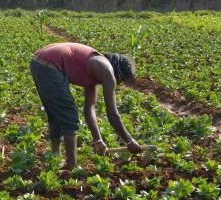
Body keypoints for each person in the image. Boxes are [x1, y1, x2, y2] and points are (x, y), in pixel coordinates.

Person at [30, 42, 145, 170]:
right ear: (120, 72)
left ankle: (55, 157)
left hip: (38, 61)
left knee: (55, 113)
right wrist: (129, 141)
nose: (119, 83)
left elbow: (89, 109)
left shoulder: (95, 69)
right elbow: (112, 114)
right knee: (69, 116)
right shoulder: (107, 71)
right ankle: (72, 166)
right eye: (122, 80)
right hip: (50, 65)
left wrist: (98, 140)